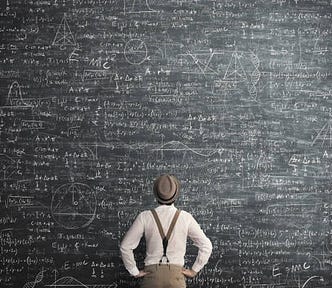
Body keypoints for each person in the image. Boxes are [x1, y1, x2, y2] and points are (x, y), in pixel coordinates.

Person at [120, 174, 212, 288]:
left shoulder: (145, 217)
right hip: (176, 276)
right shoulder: (185, 217)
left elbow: (125, 246)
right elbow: (206, 246)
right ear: (175, 195)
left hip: (152, 276)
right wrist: (194, 270)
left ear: (156, 195)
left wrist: (134, 271)